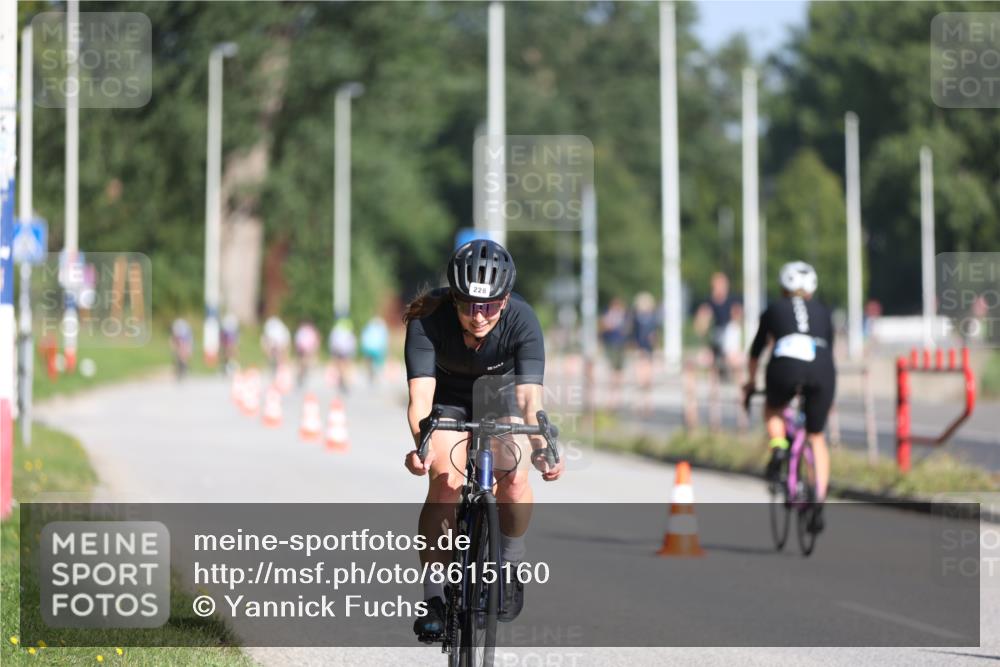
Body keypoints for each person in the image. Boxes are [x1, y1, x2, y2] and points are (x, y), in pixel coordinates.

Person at [403, 239, 564, 642]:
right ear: (453, 298)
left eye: (489, 306)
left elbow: (530, 399)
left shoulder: (524, 321)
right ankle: (435, 598)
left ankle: (510, 563)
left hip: (499, 396)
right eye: (468, 305)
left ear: (505, 300)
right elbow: (420, 398)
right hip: (447, 402)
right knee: (446, 484)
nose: (478, 316)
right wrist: (422, 445)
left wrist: (542, 445)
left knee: (514, 476)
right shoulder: (428, 320)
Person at [742, 261, 836, 533]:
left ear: (783, 288)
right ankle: (819, 499)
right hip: (822, 368)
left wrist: (750, 383)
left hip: (784, 365)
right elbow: (831, 348)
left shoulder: (773, 309)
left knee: (773, 407)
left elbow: (756, 352)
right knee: (816, 436)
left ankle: (779, 444)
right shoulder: (824, 311)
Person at [694, 272, 741, 382]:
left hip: (729, 341)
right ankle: (713, 397)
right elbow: (700, 327)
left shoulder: (732, 301)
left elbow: (737, 322)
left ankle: (741, 395)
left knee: (735, 361)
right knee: (697, 363)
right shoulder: (708, 303)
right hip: (713, 341)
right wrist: (703, 321)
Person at [630, 292, 659, 416]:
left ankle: (647, 404)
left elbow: (654, 336)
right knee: (640, 380)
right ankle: (639, 403)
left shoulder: (652, 319)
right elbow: (634, 336)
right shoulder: (637, 319)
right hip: (641, 351)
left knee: (648, 380)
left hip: (648, 351)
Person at [599, 297, 628, 408]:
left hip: (619, 345)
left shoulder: (623, 315)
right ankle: (613, 396)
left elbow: (627, 329)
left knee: (618, 370)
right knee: (613, 370)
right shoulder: (608, 314)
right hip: (611, 344)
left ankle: (616, 396)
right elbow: (603, 328)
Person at [328, 317, 357, 393]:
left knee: (341, 366)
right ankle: (344, 381)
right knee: (345, 367)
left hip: (339, 348)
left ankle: (343, 381)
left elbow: (333, 340)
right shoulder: (348, 327)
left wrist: (332, 351)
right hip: (346, 349)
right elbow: (352, 339)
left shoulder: (336, 329)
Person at [359, 315, 390, 384]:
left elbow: (364, 337)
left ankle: (371, 375)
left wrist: (363, 348)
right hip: (377, 349)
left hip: (368, 348)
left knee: (369, 362)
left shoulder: (368, 327)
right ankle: (376, 376)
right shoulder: (382, 328)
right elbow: (384, 339)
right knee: (378, 363)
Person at [293, 321, 322, 387]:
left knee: (304, 363)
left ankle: (303, 374)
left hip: (305, 349)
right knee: (304, 363)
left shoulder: (304, 330)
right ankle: (302, 374)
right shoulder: (306, 330)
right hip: (305, 349)